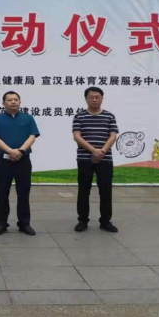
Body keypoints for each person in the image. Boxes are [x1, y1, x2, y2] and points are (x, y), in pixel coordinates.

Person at [0, 91, 40, 236]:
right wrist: (10, 151)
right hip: (4, 161)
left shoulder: (28, 118)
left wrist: (21, 151)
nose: (13, 102)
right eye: (9, 100)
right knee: (2, 193)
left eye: (16, 99)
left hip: (23, 160)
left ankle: (24, 223)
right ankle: (1, 224)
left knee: (23, 193)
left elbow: (32, 136)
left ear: (20, 102)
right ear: (3, 103)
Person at [72, 87, 119, 233]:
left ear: (102, 98)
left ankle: (105, 221)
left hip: (105, 158)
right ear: (86, 98)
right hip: (85, 158)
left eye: (97, 97)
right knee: (83, 190)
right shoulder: (79, 116)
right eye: (91, 97)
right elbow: (77, 136)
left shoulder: (109, 116)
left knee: (105, 191)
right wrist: (94, 151)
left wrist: (102, 151)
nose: (94, 99)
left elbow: (113, 136)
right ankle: (82, 220)